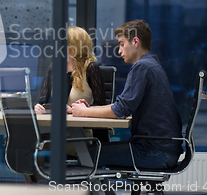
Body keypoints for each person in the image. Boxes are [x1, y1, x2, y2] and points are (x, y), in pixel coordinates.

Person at [71, 20, 183, 169]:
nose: (119, 51)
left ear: (135, 42)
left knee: (87, 156)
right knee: (90, 154)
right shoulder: (151, 64)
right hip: (161, 149)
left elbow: (120, 110)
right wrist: (88, 110)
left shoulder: (142, 67)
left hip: (155, 153)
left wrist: (84, 112)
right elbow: (122, 105)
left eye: (122, 44)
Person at [34, 26, 106, 115]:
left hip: (83, 126)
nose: (52, 48)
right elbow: (41, 100)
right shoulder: (54, 68)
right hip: (58, 127)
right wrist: (38, 107)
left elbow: (101, 106)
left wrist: (75, 110)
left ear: (72, 48)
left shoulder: (90, 68)